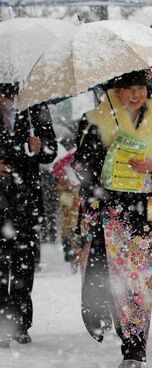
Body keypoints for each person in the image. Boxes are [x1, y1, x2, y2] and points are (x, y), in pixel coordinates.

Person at [73, 69, 152, 367]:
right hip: (111, 214)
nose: (136, 94)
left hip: (148, 215)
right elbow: (83, 170)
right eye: (128, 88)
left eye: (141, 87)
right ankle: (128, 337)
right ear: (115, 91)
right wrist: (111, 164)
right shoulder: (94, 123)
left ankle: (134, 349)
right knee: (117, 284)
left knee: (141, 284)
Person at [0, 82, 57, 347]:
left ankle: (20, 322)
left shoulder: (35, 106)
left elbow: (50, 151)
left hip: (26, 201)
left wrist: (40, 147)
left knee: (24, 263)